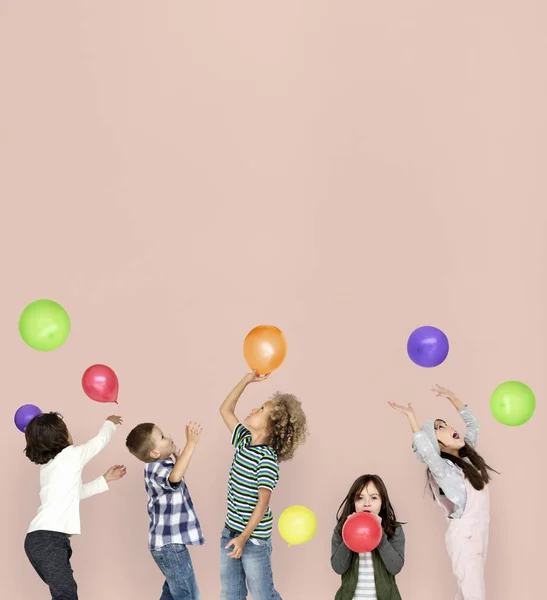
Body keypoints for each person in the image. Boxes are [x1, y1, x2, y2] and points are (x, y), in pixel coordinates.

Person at [389, 384, 498, 600]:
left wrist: (453, 398)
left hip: (480, 531)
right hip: (464, 535)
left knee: (470, 591)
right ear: (435, 444)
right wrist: (412, 419)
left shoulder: (468, 459)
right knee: (474, 592)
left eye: (446, 424)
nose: (448, 427)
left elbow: (473, 425)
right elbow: (428, 454)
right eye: (440, 428)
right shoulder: (443, 470)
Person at [219, 371, 309, 600]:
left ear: (271, 426)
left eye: (261, 410)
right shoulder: (243, 441)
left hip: (253, 539)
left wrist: (244, 538)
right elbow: (225, 410)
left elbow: (263, 502)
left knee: (262, 595)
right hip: (231, 531)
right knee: (231, 593)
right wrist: (246, 380)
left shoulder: (267, 459)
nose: (254, 409)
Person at [24, 412, 125, 600]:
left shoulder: (47, 467)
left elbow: (76, 494)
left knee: (64, 592)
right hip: (49, 540)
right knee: (66, 593)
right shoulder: (71, 455)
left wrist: (105, 479)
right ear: (61, 436)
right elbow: (99, 442)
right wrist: (110, 423)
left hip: (39, 540)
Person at [125, 420, 204, 600]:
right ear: (154, 452)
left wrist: (177, 453)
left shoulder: (158, 465)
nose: (168, 436)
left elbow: (177, 470)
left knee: (172, 592)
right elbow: (175, 477)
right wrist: (191, 444)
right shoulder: (157, 468)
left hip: (167, 545)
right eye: (162, 437)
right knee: (188, 595)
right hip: (170, 545)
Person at [331, 474, 405, 600]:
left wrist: (379, 534)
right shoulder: (341, 529)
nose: (367, 504)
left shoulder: (393, 529)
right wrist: (349, 533)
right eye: (360, 498)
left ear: (383, 502)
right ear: (353, 502)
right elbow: (338, 567)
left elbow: (395, 567)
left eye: (374, 498)